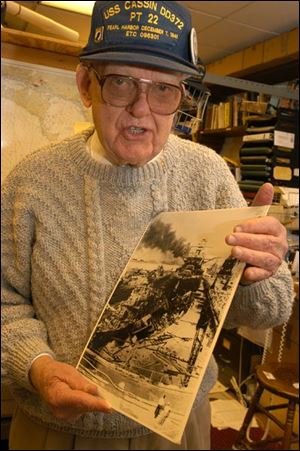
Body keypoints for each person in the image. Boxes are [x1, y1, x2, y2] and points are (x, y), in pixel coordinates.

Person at [1, 1, 294, 450]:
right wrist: (35, 363)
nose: (142, 109)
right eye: (121, 83)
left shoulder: (210, 174)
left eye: (163, 90)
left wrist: (261, 271)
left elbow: (270, 311)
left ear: (181, 97)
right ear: (86, 85)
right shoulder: (31, 182)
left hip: (176, 431)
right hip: (53, 431)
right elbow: (5, 301)